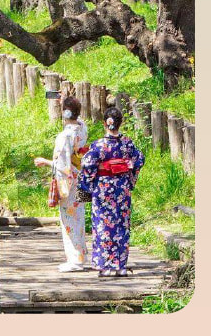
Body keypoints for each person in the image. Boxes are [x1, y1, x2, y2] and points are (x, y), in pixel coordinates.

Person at [79, 106, 146, 277]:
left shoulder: (98, 145)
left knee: (102, 225)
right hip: (122, 189)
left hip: (103, 189)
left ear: (104, 123)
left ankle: (104, 265)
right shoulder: (127, 144)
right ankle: (120, 266)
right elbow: (139, 159)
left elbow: (87, 165)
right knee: (121, 226)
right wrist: (128, 175)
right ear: (120, 123)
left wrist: (87, 185)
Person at [34, 94, 89, 272]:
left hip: (69, 182)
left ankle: (74, 260)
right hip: (82, 177)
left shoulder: (64, 136)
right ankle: (81, 255)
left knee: (68, 219)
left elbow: (62, 165)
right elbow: (78, 118)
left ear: (65, 114)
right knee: (79, 217)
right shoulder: (82, 128)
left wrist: (45, 161)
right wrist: (68, 103)